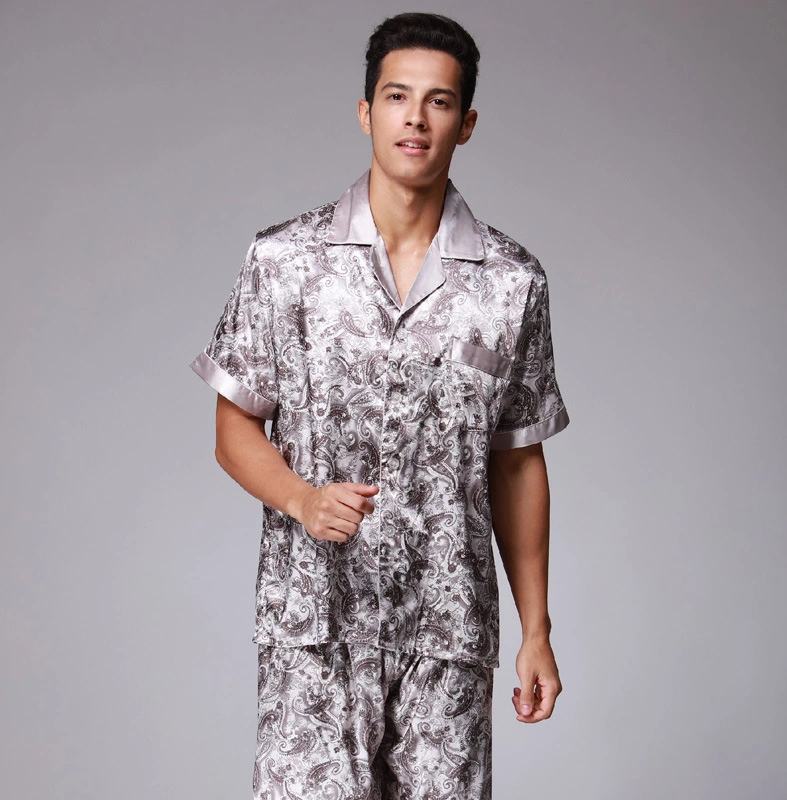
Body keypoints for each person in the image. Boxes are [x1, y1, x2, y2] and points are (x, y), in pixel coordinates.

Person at [190, 11, 570, 800]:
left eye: (439, 102)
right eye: (398, 97)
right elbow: (234, 428)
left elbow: (518, 462)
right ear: (367, 112)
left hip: (447, 640)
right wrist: (300, 498)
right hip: (314, 632)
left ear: (465, 124)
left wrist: (536, 629)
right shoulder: (284, 262)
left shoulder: (512, 284)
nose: (415, 118)